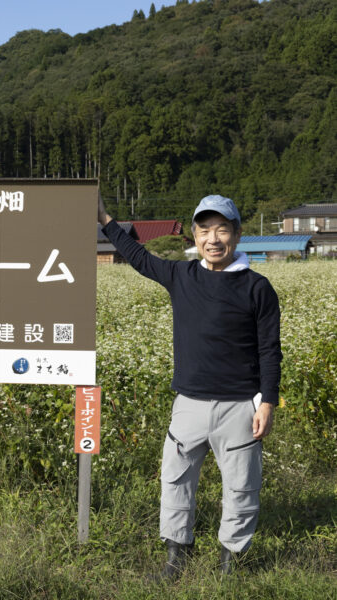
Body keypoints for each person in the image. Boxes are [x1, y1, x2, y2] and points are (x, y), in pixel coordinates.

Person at [97, 194, 282, 578]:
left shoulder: (257, 288)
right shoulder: (182, 276)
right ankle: (175, 557)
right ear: (195, 236)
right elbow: (139, 256)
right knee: (175, 481)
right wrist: (103, 217)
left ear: (238, 235)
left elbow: (270, 350)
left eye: (222, 230)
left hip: (239, 406)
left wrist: (267, 403)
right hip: (188, 402)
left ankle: (232, 561)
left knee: (241, 487)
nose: (213, 239)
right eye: (205, 230)